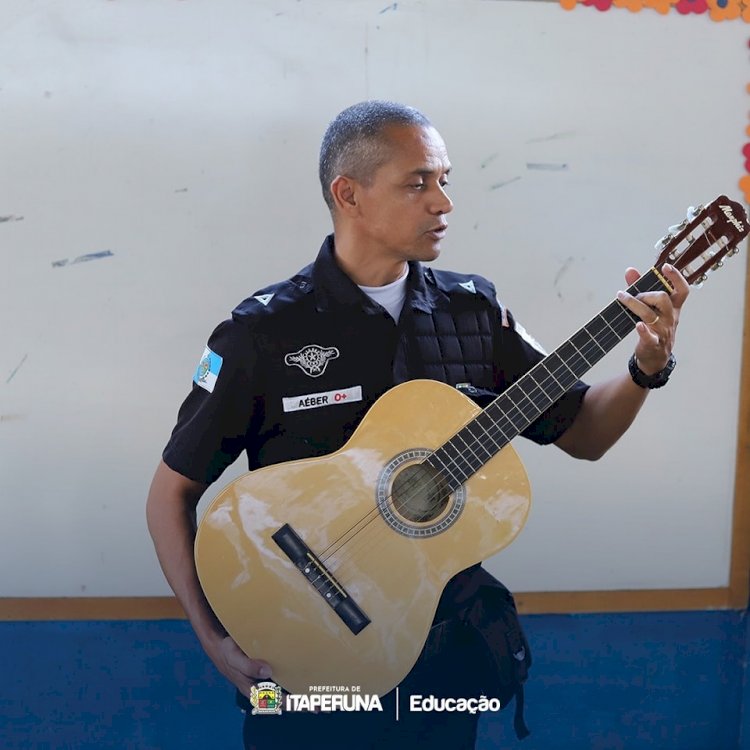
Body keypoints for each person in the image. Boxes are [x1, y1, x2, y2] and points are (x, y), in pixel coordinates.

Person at [146, 100, 689, 750]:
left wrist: (645, 367)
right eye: (418, 183)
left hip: (441, 664)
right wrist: (213, 641)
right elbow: (170, 495)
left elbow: (584, 433)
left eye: (445, 180)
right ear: (349, 194)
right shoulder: (264, 330)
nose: (444, 204)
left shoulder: (474, 312)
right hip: (298, 659)